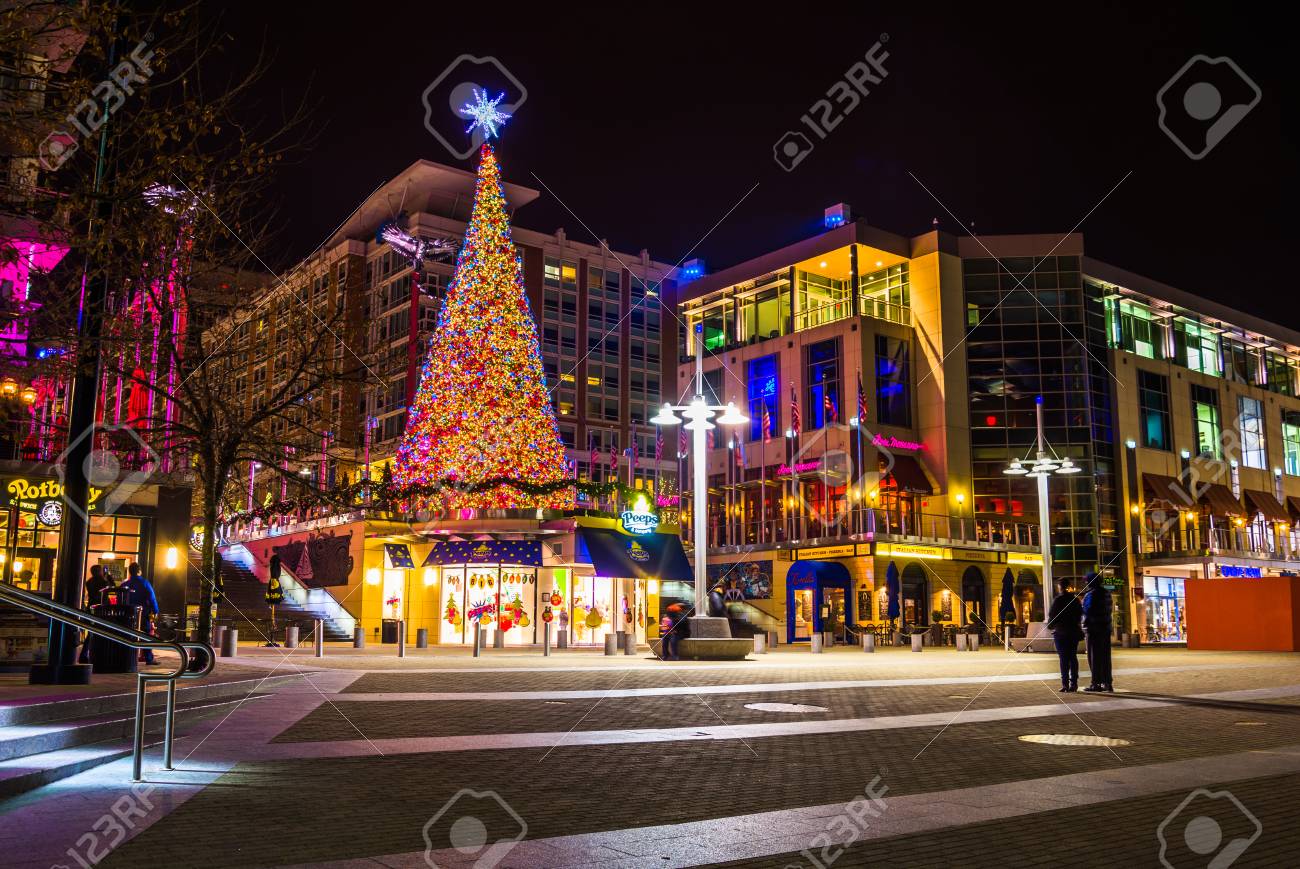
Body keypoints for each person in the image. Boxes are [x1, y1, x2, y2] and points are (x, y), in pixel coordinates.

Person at [1047, 579, 1084, 692]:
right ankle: (1074, 683)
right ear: (1069, 586)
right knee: (1072, 657)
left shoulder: (1058, 600)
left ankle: (1065, 684)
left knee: (1063, 658)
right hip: (1073, 632)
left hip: (1061, 632)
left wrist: (1051, 625)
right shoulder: (1075, 600)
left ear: (1060, 587)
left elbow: (1052, 615)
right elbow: (1080, 614)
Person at [121, 562, 160, 665]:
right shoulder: (144, 583)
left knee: (128, 634)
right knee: (145, 634)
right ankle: (148, 658)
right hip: (143, 612)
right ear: (139, 571)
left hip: (128, 613)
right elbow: (152, 597)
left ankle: (126, 657)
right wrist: (155, 610)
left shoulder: (125, 584)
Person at [1081, 572, 1113, 692]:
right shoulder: (1107, 593)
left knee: (1094, 657)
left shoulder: (1091, 595)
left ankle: (1096, 683)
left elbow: (1087, 611)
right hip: (1106, 629)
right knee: (1105, 657)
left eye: (1086, 581)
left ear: (1090, 582)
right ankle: (1107, 683)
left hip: (1094, 630)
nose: (1085, 583)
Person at [77, 565, 113, 665]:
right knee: (102, 632)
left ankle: (84, 655)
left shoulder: (89, 582)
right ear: (100, 571)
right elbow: (112, 587)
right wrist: (108, 576)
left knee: (92, 633)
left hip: (91, 608)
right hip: (102, 609)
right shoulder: (103, 582)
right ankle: (97, 655)